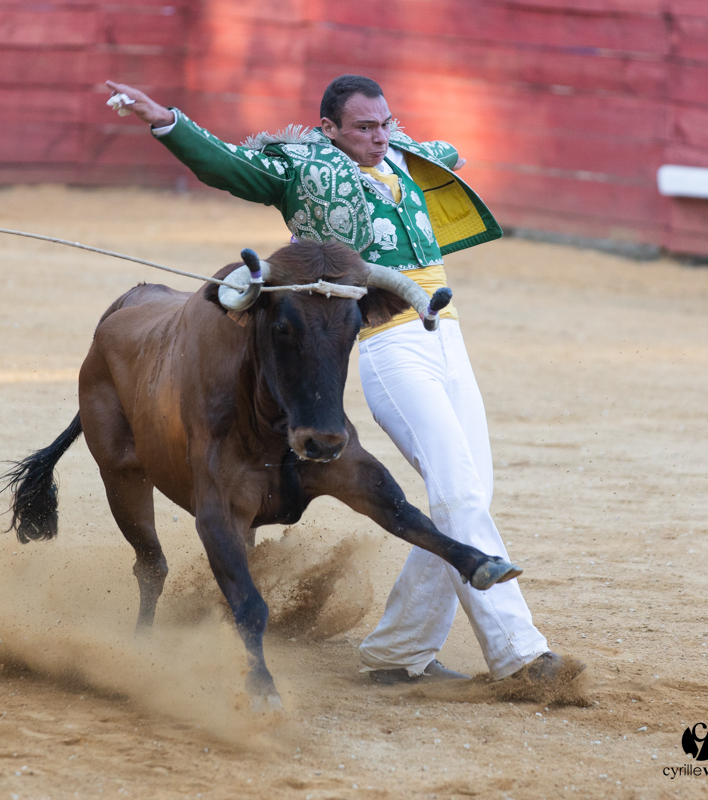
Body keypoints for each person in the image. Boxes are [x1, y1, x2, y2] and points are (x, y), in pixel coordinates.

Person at [105, 75, 577, 684]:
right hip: (379, 335)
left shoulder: (404, 156)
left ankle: (398, 653)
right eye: (363, 128)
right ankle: (520, 654)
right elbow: (229, 168)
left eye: (384, 124)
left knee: (465, 501)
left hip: (445, 332)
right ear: (329, 129)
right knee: (458, 497)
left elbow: (445, 155)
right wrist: (165, 119)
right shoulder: (302, 167)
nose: (379, 137)